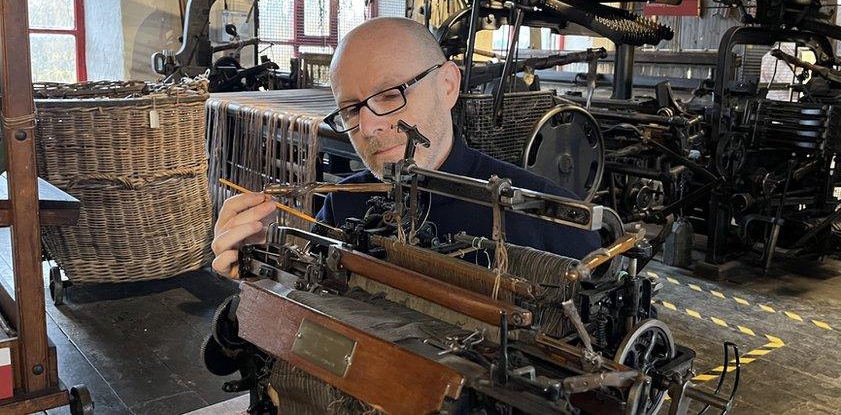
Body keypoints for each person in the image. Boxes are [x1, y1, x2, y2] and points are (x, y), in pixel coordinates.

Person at [211, 17, 600, 278]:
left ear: (448, 85)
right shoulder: (344, 205)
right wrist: (262, 273)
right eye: (349, 109)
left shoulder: (555, 221)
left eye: (389, 94)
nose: (368, 125)